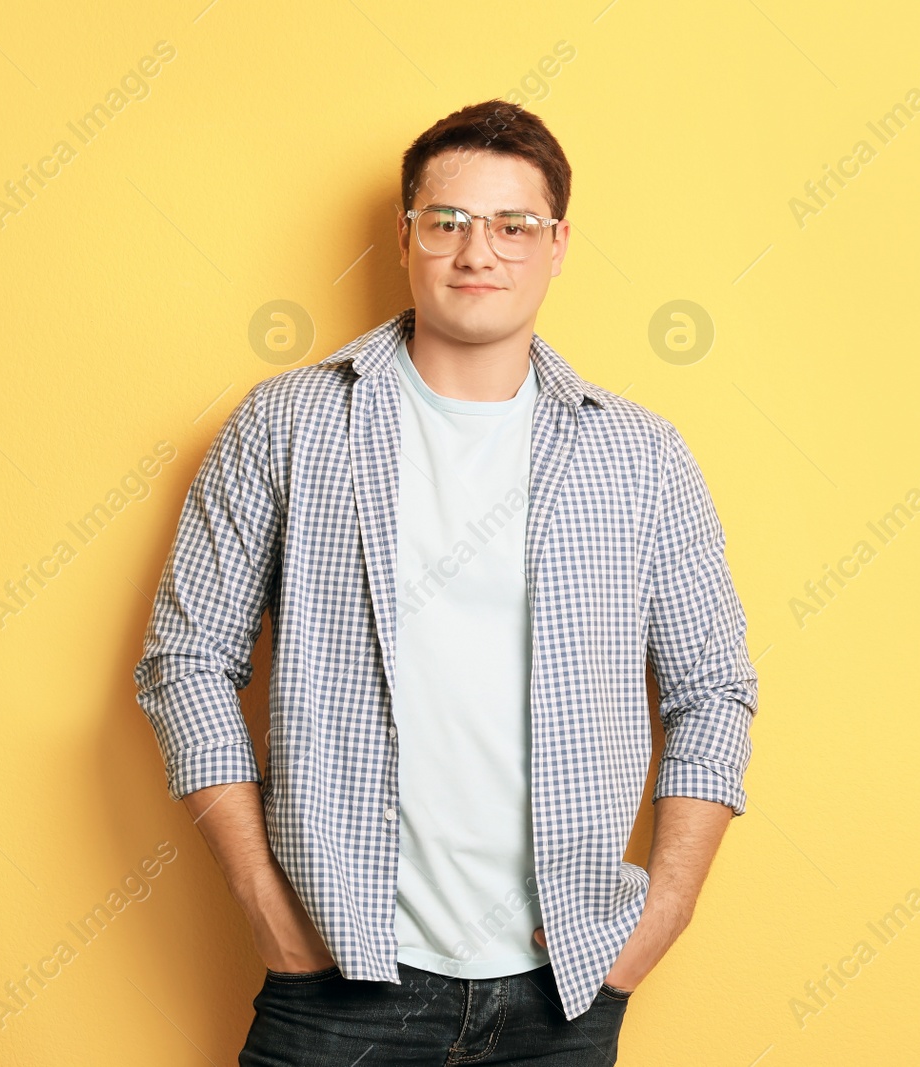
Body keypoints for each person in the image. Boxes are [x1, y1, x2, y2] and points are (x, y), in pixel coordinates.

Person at [133, 98, 758, 1066]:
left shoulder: (639, 456)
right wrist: (267, 905)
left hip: (563, 993)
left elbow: (713, 687)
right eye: (449, 222)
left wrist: (664, 910)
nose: (480, 252)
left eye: (513, 225)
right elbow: (186, 659)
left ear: (556, 244)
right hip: (339, 981)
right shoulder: (289, 426)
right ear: (405, 237)